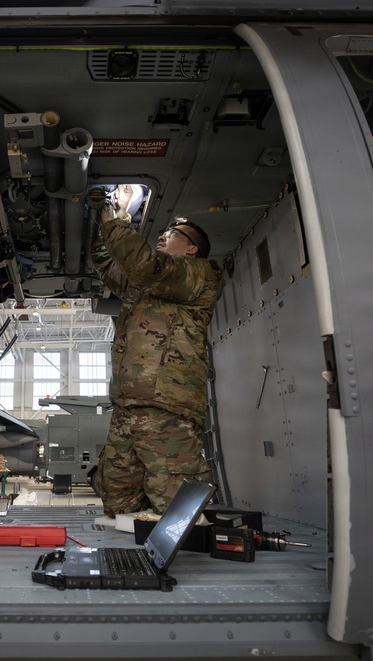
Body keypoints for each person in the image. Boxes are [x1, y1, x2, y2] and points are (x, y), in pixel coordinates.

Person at [91, 183, 225, 516]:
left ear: (192, 249)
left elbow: (145, 264)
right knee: (117, 494)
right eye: (163, 231)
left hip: (166, 405)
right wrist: (113, 217)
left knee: (175, 498)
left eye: (174, 233)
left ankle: (187, 561)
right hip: (128, 405)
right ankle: (133, 557)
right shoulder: (148, 286)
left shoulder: (200, 275)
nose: (164, 236)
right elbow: (108, 263)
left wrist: (116, 222)